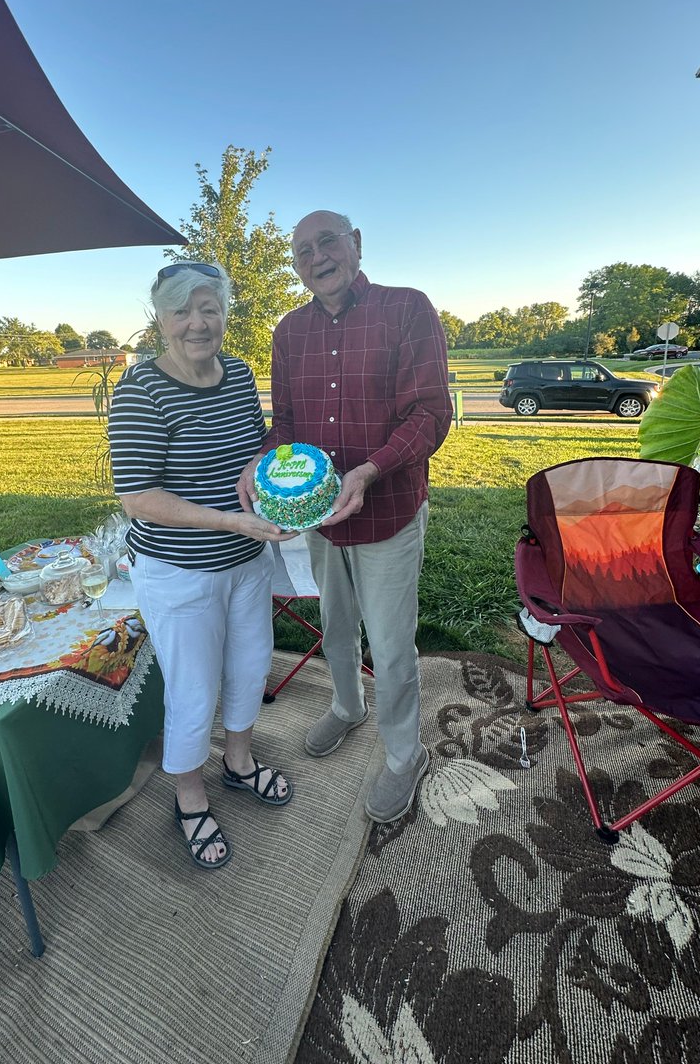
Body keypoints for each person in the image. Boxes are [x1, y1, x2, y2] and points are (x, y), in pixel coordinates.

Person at [237, 211, 452, 823]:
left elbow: (430, 415)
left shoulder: (407, 308)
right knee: (335, 625)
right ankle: (346, 706)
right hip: (320, 517)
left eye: (326, 241)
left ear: (356, 244)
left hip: (387, 509)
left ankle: (405, 753)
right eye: (301, 250)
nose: (315, 256)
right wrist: (263, 461)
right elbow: (285, 426)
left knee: (388, 643)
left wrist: (368, 471)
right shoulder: (289, 331)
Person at [108, 260, 295, 870]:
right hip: (180, 572)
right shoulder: (141, 389)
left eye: (209, 308)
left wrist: (269, 492)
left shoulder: (238, 374)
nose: (197, 322)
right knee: (193, 688)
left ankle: (238, 763)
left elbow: (252, 452)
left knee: (250, 666)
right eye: (182, 310)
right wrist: (230, 521)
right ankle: (190, 797)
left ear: (224, 313)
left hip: (247, 560)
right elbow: (139, 497)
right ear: (159, 318)